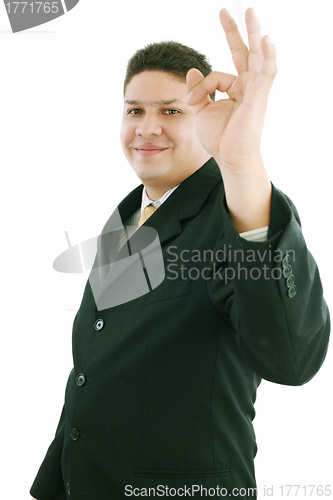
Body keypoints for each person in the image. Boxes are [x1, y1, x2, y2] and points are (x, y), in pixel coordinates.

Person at [30, 7, 330, 500]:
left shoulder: (234, 210)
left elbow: (293, 359)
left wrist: (243, 165)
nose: (146, 127)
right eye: (134, 110)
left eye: (170, 111)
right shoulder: (124, 220)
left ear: (206, 119)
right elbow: (90, 372)